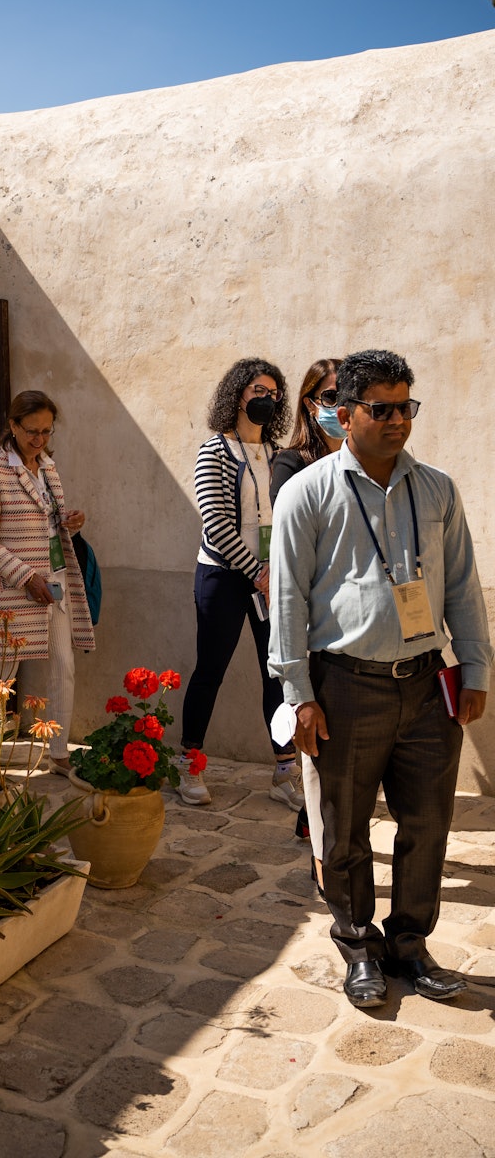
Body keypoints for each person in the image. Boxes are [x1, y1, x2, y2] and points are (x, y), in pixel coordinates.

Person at [269, 349, 491, 1009]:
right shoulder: (308, 492)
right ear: (344, 413)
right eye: (382, 409)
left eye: (407, 407)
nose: (398, 421)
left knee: (427, 823)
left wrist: (474, 667)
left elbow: (459, 584)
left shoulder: (438, 489)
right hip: (345, 685)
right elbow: (287, 600)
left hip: (428, 687)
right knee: (343, 828)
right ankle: (358, 944)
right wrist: (299, 696)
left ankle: (410, 944)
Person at [179, 357, 300, 809]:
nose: (265, 398)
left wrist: (277, 573)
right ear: (237, 395)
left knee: (277, 675)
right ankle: (189, 764)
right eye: (257, 390)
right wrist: (257, 571)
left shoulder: (278, 454)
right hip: (225, 578)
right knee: (210, 670)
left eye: (272, 392)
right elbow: (214, 521)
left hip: (273, 581)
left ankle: (285, 770)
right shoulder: (215, 450)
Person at [0, 391, 95, 772]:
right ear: (12, 426)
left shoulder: (48, 467)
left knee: (63, 663)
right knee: (0, 674)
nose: (39, 439)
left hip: (54, 581)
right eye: (31, 431)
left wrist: (68, 521)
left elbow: (45, 521)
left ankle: (58, 751)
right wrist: (25, 576)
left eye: (46, 431)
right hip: (10, 589)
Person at [270, 357, 345, 895]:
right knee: (317, 741)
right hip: (314, 621)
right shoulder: (291, 464)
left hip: (356, 627)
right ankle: (322, 857)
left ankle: (317, 828)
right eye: (329, 395)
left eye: (347, 395)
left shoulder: (374, 464)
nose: (339, 406)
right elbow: (293, 553)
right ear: (309, 402)